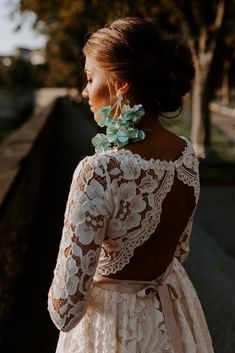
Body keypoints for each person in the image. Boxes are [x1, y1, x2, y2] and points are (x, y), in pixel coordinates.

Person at [48, 17, 214, 353]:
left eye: (91, 78)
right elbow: (179, 250)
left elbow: (65, 310)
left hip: (112, 333)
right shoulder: (185, 155)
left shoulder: (98, 171)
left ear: (121, 84)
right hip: (171, 321)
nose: (84, 91)